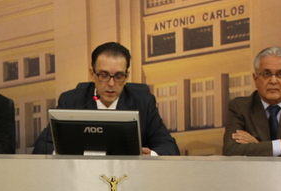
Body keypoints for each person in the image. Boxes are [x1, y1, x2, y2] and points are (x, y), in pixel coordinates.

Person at [33, 42, 179, 156]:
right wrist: (62, 154)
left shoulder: (143, 102)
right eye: (103, 75)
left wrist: (151, 155)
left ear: (126, 77)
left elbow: (169, 147)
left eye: (118, 76)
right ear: (92, 74)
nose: (111, 84)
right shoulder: (71, 101)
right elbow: (42, 146)